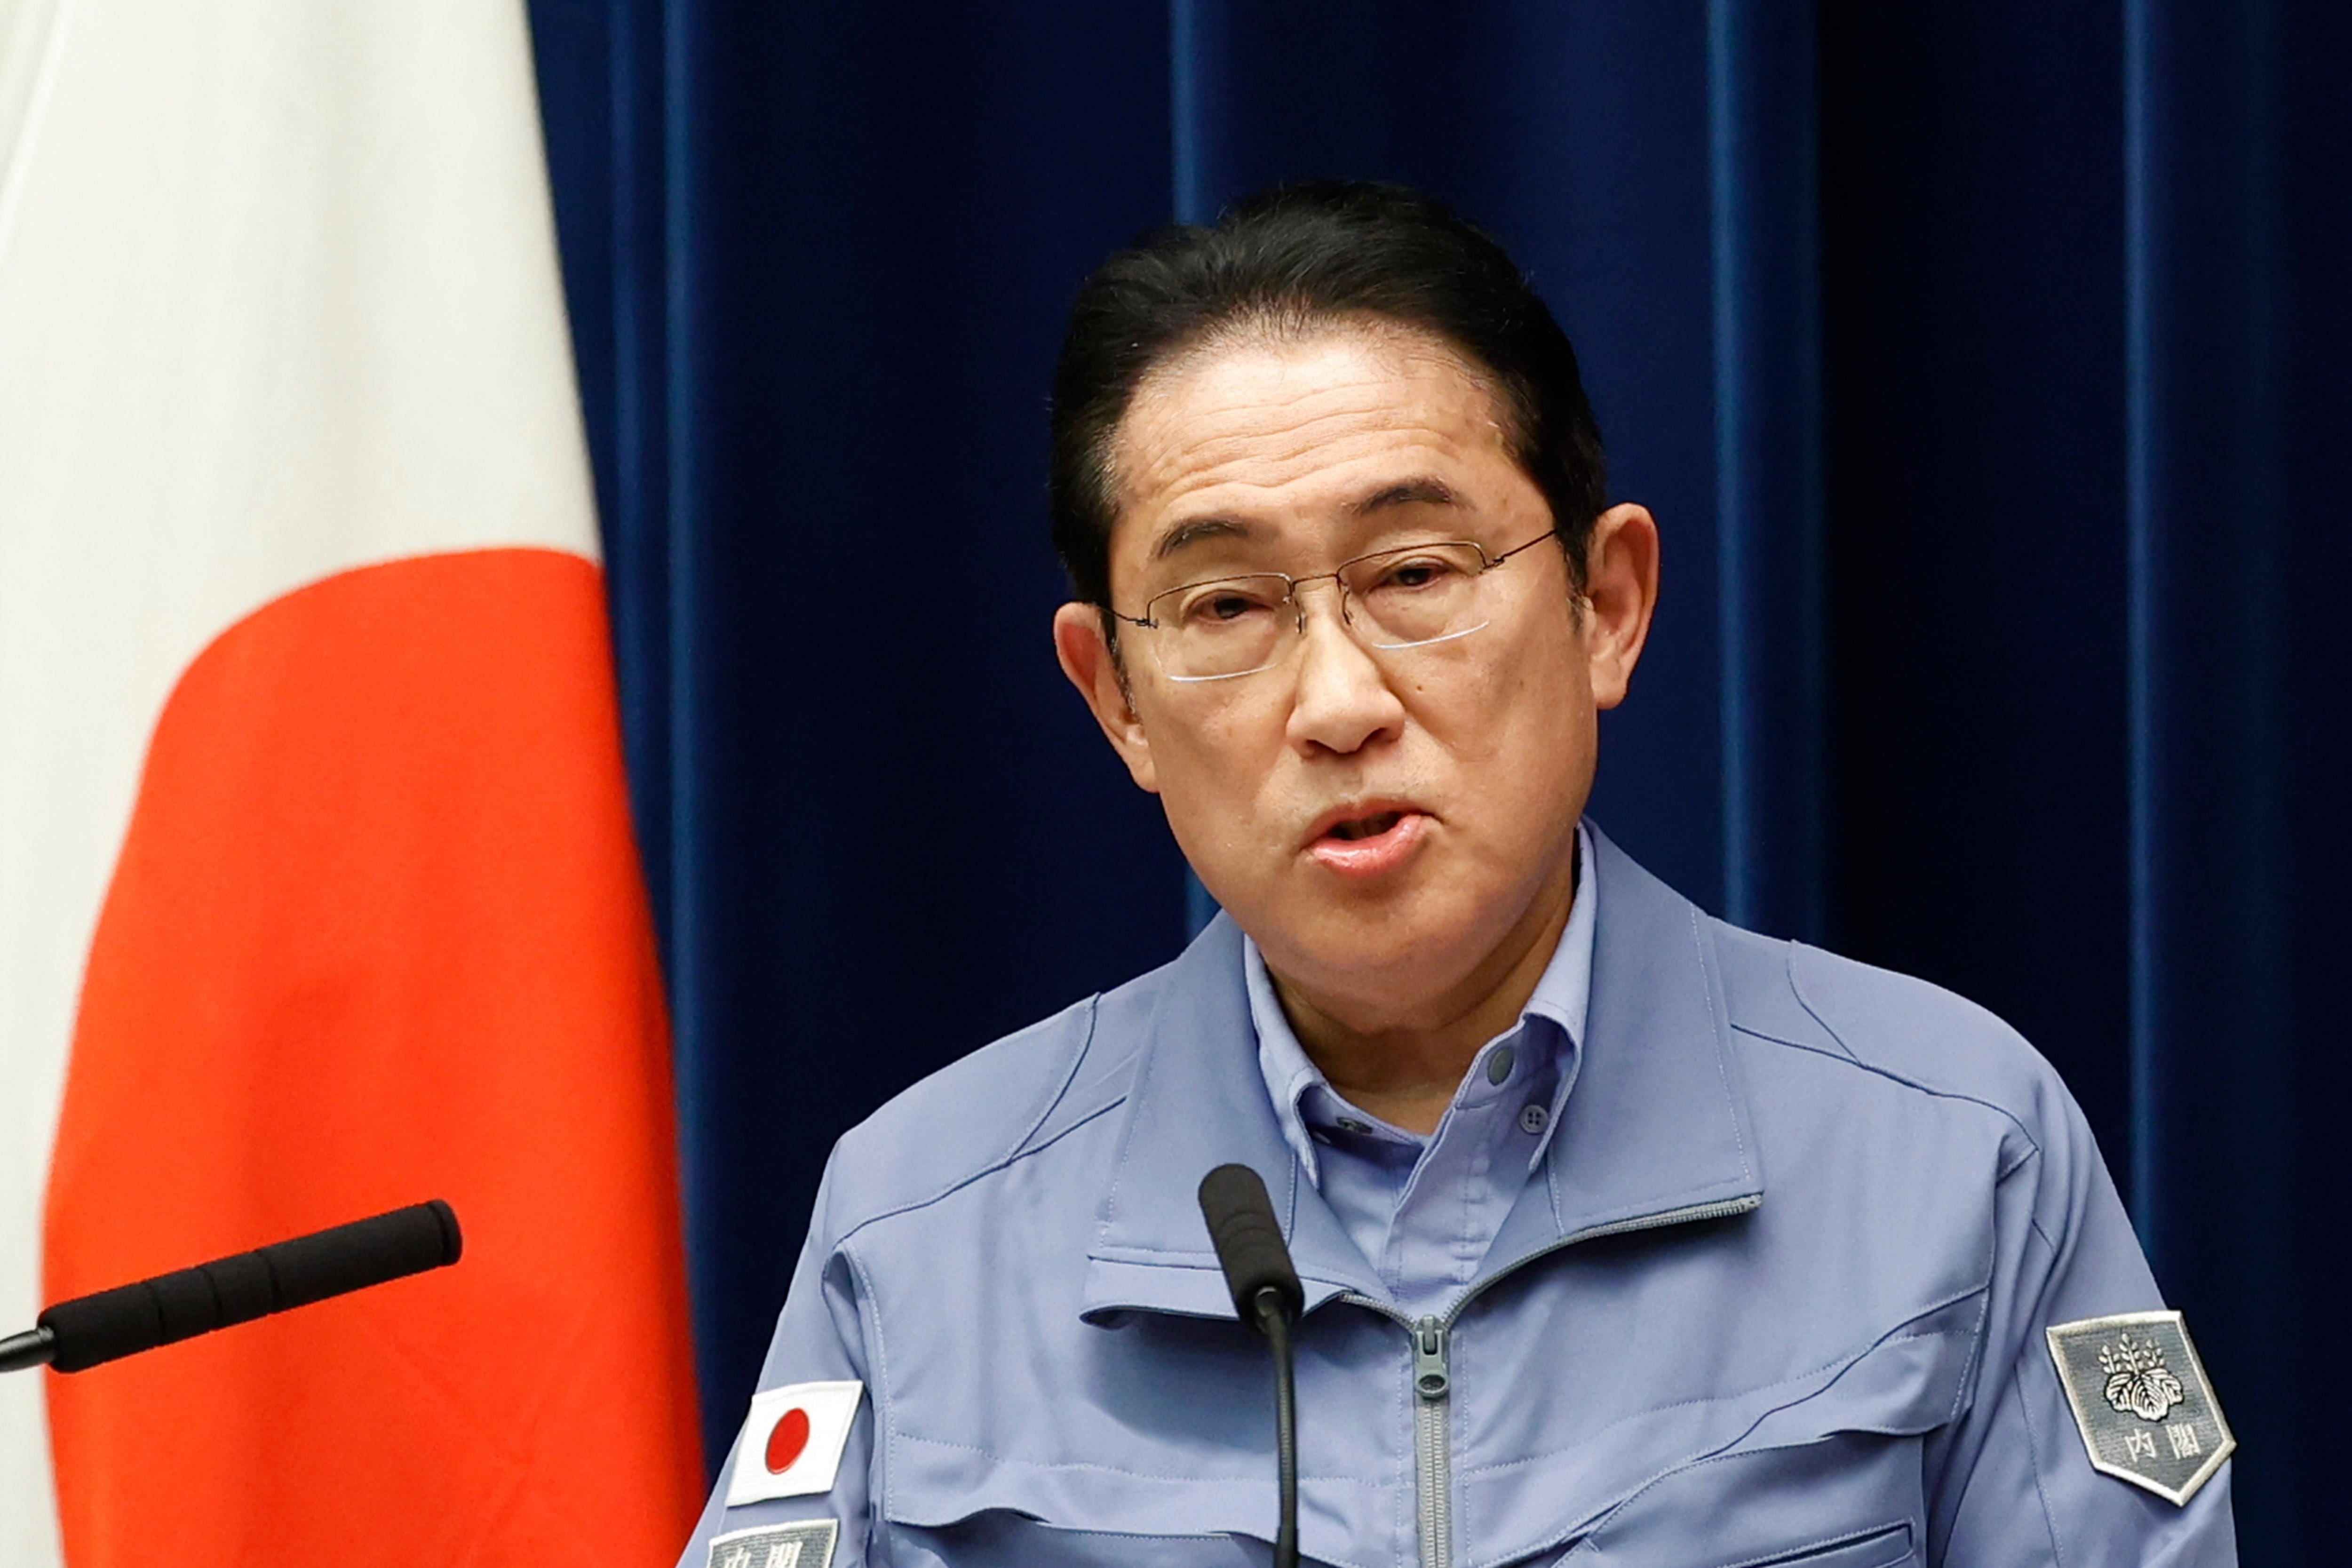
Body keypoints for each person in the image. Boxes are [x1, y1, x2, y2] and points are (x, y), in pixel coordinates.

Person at [676, 183, 2236, 1568]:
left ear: (1606, 604)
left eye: (1414, 574)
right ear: (1117, 702)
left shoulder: (1954, 1150)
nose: (1339, 701)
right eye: (1223, 607)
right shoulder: (922, 1223)